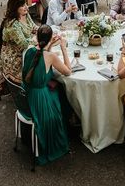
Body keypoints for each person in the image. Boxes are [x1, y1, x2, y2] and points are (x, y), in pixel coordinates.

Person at [22, 25, 71, 165]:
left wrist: (49, 44)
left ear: (37, 37)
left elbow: (40, 59)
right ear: (49, 39)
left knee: (58, 92)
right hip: (41, 98)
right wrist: (63, 48)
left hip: (28, 95)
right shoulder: (51, 56)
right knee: (62, 95)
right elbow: (68, 71)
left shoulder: (30, 51)